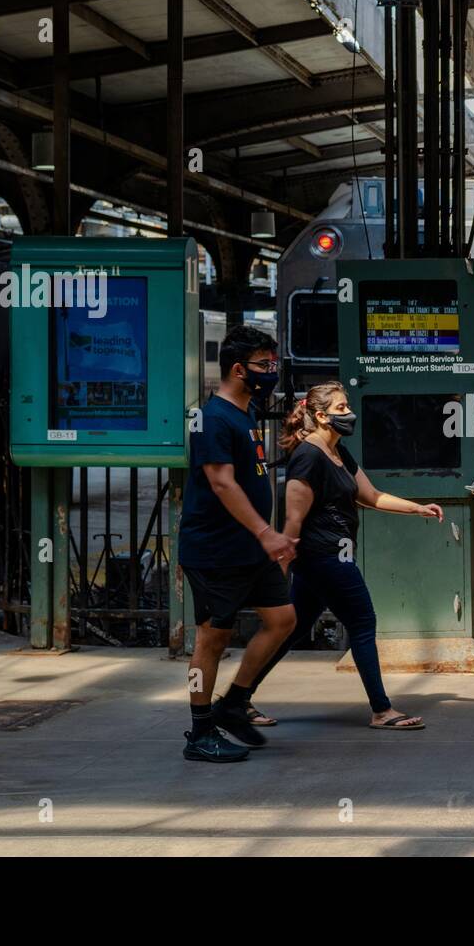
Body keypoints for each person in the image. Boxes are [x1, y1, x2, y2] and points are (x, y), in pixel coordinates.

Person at [241, 381, 441, 730]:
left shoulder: (337, 451)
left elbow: (373, 496)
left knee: (293, 628)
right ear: (320, 416)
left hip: (332, 555)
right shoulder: (307, 456)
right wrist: (280, 568)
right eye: (340, 409)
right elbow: (293, 520)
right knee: (363, 623)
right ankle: (382, 710)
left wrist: (417, 509)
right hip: (324, 557)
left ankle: (237, 700)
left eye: (347, 407)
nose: (349, 414)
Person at [179, 325, 299, 763]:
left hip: (249, 548)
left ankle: (234, 703)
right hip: (215, 550)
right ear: (237, 369)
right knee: (212, 639)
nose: (271, 372)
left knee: (282, 618)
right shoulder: (213, 418)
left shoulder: (244, 414)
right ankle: (199, 729)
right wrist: (266, 532)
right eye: (263, 365)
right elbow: (222, 483)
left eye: (272, 364)